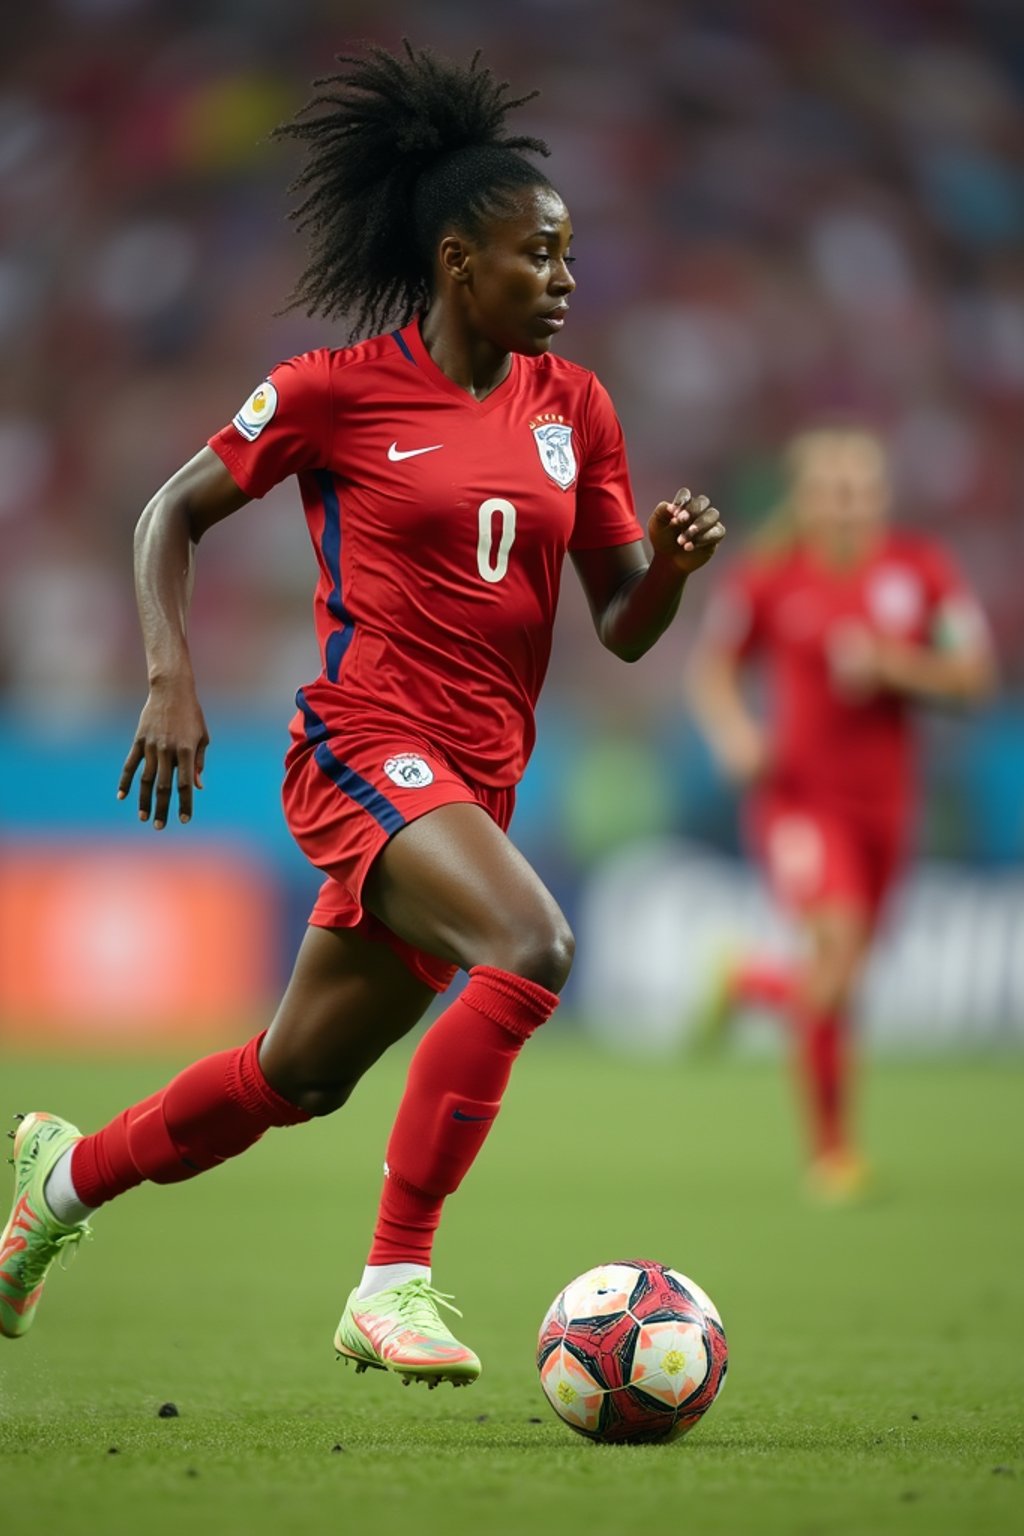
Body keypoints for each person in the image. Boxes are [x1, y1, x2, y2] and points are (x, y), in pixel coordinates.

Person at [0, 43, 724, 1384]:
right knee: (536, 939)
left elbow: (622, 627)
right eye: (540, 258)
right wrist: (169, 672)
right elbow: (172, 512)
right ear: (460, 263)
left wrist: (669, 568)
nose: (565, 285)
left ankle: (54, 1189)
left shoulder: (579, 410)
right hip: (360, 743)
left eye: (569, 260)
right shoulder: (336, 391)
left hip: (476, 781)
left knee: (295, 1080)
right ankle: (393, 1279)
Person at [686, 426, 994, 1200]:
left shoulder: (921, 574)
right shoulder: (770, 577)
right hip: (798, 801)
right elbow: (712, 668)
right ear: (807, 498)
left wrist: (898, 665)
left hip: (888, 809)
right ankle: (832, 1156)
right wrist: (735, 735)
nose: (847, 505)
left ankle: (752, 981)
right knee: (837, 948)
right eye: (831, 490)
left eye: (859, 489)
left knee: (841, 978)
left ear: (881, 496)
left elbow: (974, 676)